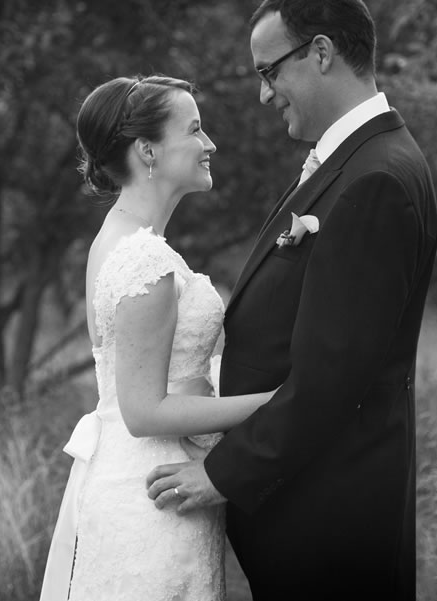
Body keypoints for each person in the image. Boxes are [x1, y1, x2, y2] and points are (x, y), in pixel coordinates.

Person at [146, 0, 437, 600]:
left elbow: (332, 379)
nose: (262, 93)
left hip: (329, 522)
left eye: (270, 71)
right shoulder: (355, 163)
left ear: (323, 52)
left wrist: (221, 474)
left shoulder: (374, 180)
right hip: (314, 507)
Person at [39, 75, 275, 601]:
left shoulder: (121, 242)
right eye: (194, 129)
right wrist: (273, 403)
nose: (209, 143)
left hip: (145, 479)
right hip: (155, 492)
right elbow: (143, 411)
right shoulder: (143, 259)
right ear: (148, 150)